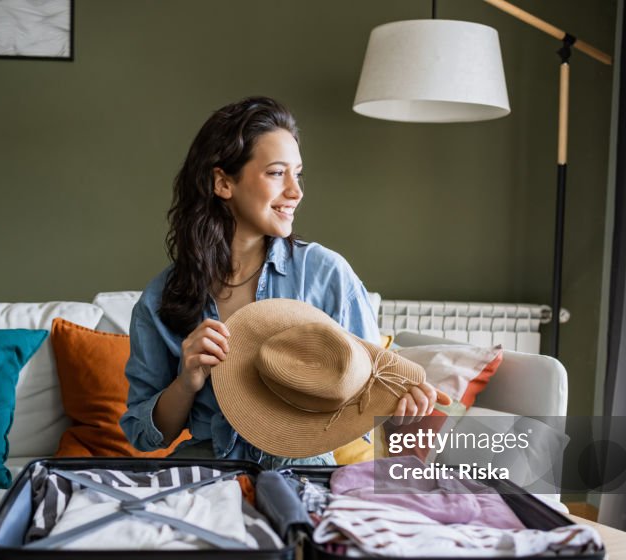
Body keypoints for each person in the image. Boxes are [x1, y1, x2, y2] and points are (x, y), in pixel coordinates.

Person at [120, 96, 436, 469]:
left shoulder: (327, 273)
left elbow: (371, 395)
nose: (296, 191)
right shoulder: (161, 299)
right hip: (204, 472)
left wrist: (403, 410)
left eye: (297, 173)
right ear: (223, 182)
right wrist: (186, 381)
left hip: (304, 476)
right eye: (276, 173)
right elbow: (144, 436)